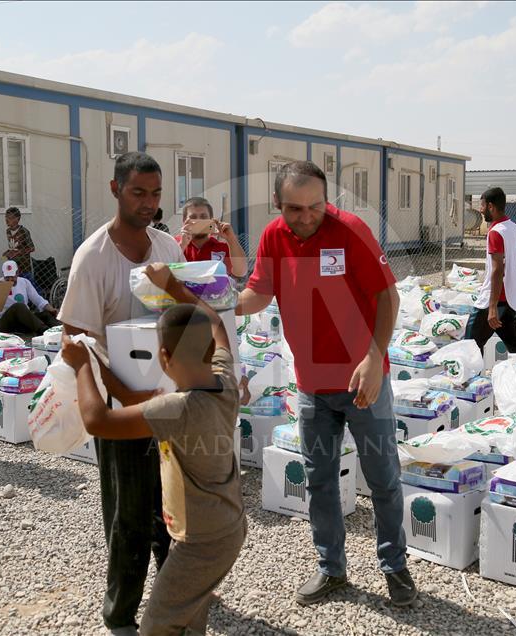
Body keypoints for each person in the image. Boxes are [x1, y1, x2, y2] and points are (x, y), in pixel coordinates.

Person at [235, 161, 416, 606]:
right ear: (278, 204)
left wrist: (375, 359)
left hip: (364, 383)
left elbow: (386, 295)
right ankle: (331, 569)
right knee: (319, 481)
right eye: (296, 208)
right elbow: (260, 291)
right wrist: (214, 302)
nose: (308, 215)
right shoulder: (274, 237)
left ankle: (395, 568)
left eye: (316, 205)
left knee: (383, 479)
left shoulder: (350, 229)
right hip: (313, 386)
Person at [61, 262, 245, 635]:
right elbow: (218, 324)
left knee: (157, 624)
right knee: (190, 607)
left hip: (201, 541)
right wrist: (172, 285)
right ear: (210, 351)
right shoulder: (225, 380)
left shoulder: (175, 409)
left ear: (163, 358)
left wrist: (83, 365)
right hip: (228, 526)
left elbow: (98, 422)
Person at [57, 151, 184, 635]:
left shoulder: (168, 248)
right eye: (138, 193)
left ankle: (173, 594)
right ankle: (121, 615)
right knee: (128, 514)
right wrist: (127, 397)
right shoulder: (93, 257)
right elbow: (79, 343)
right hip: (121, 408)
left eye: (155, 194)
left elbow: (186, 317)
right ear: (115, 190)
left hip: (169, 401)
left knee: (173, 506)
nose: (149, 203)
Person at [465, 187, 516, 356]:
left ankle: (469, 382)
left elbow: (497, 270)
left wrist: (492, 307)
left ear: (490, 206)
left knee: (470, 347)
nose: (480, 210)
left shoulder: (496, 232)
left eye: (481, 206)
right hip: (510, 298)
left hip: (495, 300)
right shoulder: (513, 227)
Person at [177, 197, 248, 278]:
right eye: (193, 217)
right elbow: (165, 272)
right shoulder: (174, 244)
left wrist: (231, 239)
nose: (199, 221)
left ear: (212, 220)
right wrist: (182, 245)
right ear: (184, 220)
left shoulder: (222, 248)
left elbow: (241, 272)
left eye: (203, 217)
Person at [0, 260, 59, 337]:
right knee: (19, 306)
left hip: (22, 321)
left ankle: (60, 330)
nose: (10, 280)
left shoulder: (24, 282)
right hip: (4, 323)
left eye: (12, 277)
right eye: (7, 277)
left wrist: (51, 309)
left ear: (17, 273)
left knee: (47, 314)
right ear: (3, 274)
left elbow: (38, 300)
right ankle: (44, 331)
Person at [4, 206, 35, 283]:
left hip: (24, 267)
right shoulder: (8, 231)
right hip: (13, 267)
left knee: (27, 285)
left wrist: (18, 252)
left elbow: (32, 248)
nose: (7, 220)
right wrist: (8, 252)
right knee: (14, 286)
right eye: (6, 217)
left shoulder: (24, 232)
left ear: (17, 219)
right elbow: (14, 247)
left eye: (9, 218)